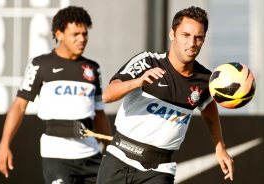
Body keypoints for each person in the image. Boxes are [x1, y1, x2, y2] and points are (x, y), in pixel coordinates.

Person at [97, 6, 234, 184]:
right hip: (118, 160)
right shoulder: (147, 62)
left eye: (198, 37)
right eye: (185, 35)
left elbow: (208, 106)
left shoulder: (205, 80)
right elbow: (108, 95)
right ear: (172, 35)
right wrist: (138, 82)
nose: (191, 43)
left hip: (159, 170)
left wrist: (220, 147)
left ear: (203, 40)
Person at [0, 6, 112, 184]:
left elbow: (99, 113)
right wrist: (4, 145)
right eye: (75, 34)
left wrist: (109, 150)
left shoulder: (93, 69)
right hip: (57, 157)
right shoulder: (40, 64)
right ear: (58, 34)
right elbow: (19, 106)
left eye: (85, 34)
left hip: (91, 154)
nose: (82, 39)